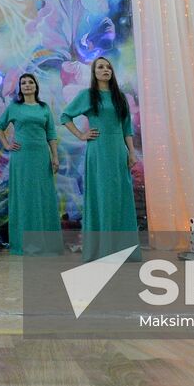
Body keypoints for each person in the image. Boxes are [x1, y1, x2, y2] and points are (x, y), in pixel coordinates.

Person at [61, 56, 140, 262]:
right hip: (98, 150)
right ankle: (102, 250)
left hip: (118, 151)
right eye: (100, 67)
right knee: (102, 197)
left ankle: (121, 249)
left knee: (120, 197)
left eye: (108, 67)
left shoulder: (119, 97)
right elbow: (65, 117)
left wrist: (131, 152)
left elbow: (127, 128)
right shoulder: (88, 95)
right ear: (94, 73)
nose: (105, 70)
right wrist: (81, 135)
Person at [0, 73, 64, 255]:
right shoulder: (14, 107)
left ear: (36, 86)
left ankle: (46, 243)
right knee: (24, 197)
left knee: (43, 197)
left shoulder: (44, 108)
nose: (27, 85)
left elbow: (51, 134)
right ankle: (22, 243)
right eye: (23, 83)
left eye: (30, 82)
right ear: (20, 88)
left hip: (42, 157)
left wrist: (55, 157)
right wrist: (6, 144)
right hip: (21, 158)